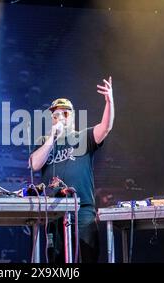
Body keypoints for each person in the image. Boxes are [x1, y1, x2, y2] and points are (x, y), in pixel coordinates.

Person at [30, 76, 114, 263]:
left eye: (64, 114)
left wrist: (109, 102)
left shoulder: (84, 137)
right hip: (53, 210)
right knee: (56, 259)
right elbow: (35, 164)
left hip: (82, 209)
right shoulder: (45, 142)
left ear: (73, 116)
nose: (59, 118)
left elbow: (105, 128)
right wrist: (52, 137)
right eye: (55, 115)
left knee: (87, 255)